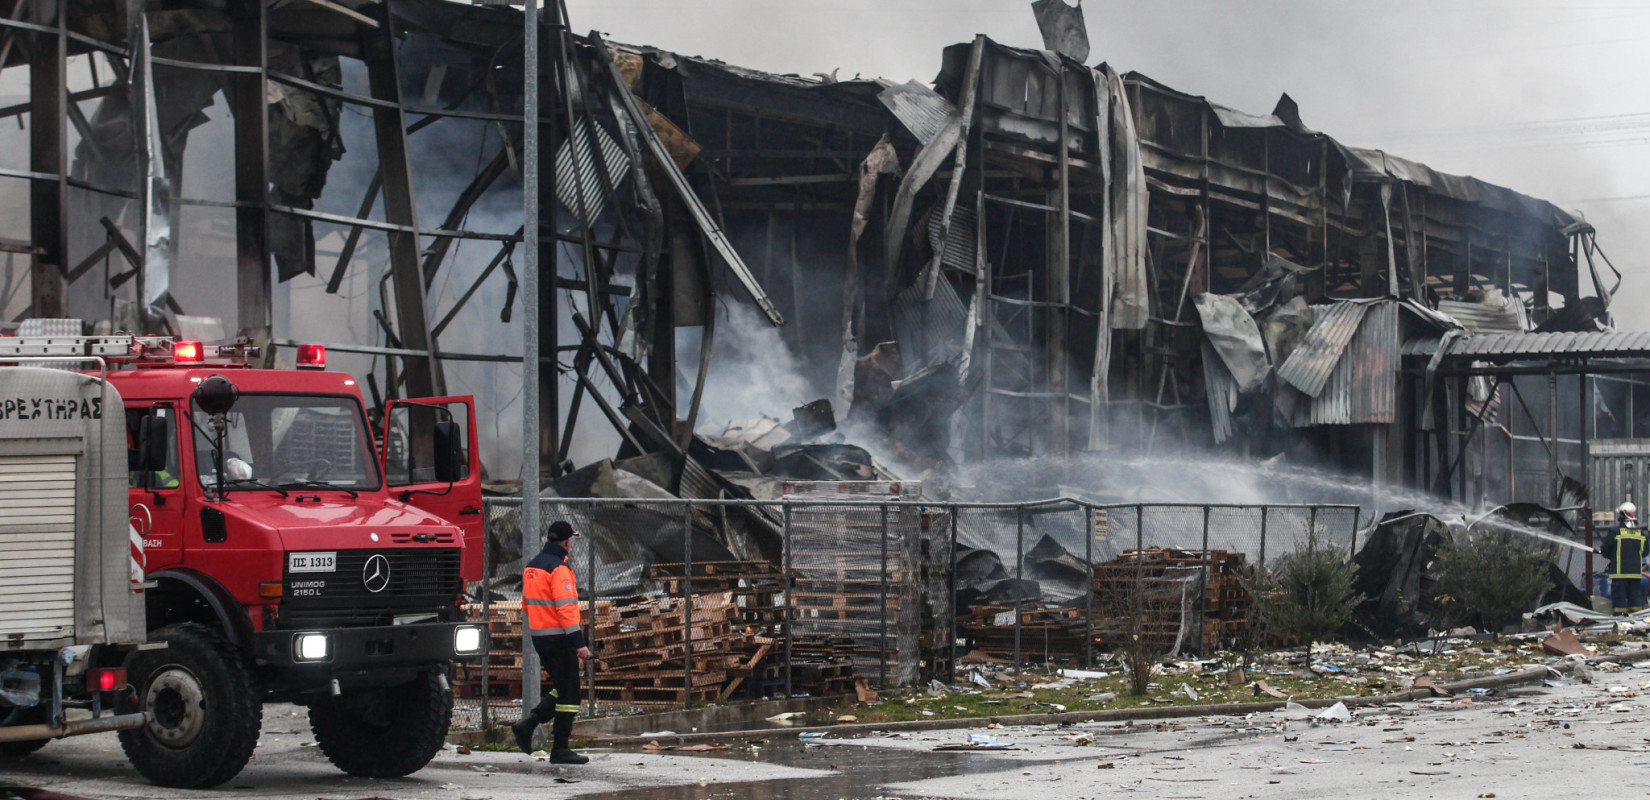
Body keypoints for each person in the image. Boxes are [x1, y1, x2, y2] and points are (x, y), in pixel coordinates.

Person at [511, 520, 593, 763]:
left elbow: (526, 603)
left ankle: (530, 725)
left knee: (564, 686)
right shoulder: (559, 570)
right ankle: (559, 747)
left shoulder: (532, 567)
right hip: (559, 638)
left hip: (541, 637)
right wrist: (579, 643)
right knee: (570, 693)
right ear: (568, 542)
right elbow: (566, 609)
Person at [1606, 502, 1646, 615]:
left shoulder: (1615, 532)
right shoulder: (1641, 533)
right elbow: (1645, 551)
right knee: (1635, 600)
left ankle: (1620, 623)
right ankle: (1636, 622)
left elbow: (1605, 550)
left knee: (1619, 601)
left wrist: (1613, 557)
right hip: (1635, 574)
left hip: (1620, 574)